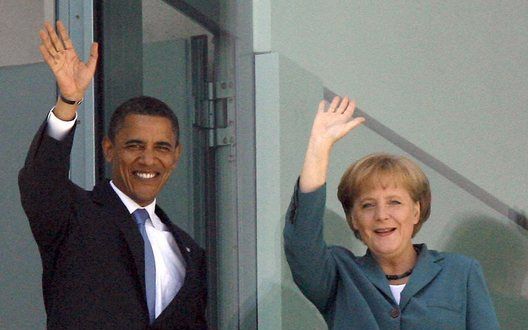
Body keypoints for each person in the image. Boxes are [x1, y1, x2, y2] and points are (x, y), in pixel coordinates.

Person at [18, 21, 207, 329]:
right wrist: (68, 102)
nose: (148, 159)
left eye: (161, 147)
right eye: (134, 146)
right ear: (109, 149)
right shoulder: (74, 216)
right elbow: (40, 182)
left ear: (175, 156)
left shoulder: (189, 251)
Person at [283, 96, 499, 329]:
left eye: (395, 202)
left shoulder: (460, 272)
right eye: (367, 205)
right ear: (353, 219)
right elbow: (301, 243)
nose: (382, 215)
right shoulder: (339, 275)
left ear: (416, 211)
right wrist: (319, 148)